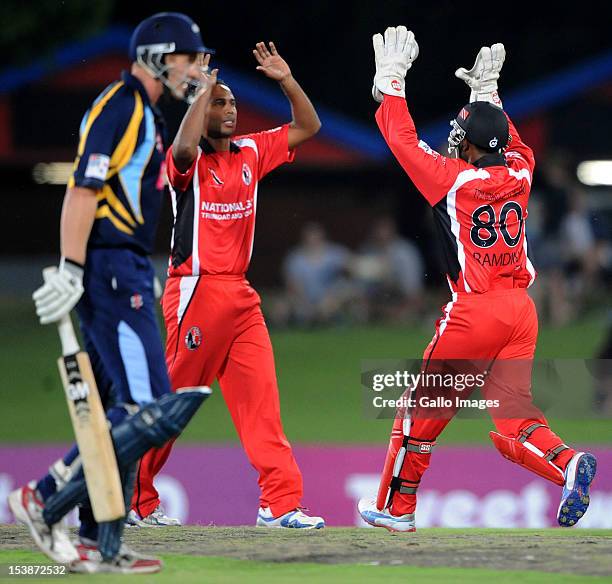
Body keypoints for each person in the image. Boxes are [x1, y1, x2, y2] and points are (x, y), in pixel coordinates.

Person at [358, 27, 597, 532]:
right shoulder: (522, 171)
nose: (453, 142)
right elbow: (512, 141)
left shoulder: (453, 181)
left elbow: (401, 141)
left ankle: (395, 508)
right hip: (520, 310)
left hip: (477, 309)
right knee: (515, 419)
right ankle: (567, 462)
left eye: (459, 136)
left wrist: (393, 85)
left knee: (416, 411)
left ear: (468, 144)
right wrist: (488, 96)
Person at [8, 13, 212, 573]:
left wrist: (201, 93)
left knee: (113, 409)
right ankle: (43, 498)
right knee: (150, 409)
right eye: (188, 58)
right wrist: (71, 269)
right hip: (112, 270)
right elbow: (83, 188)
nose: (195, 67)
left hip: (122, 268)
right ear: (159, 56)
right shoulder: (122, 106)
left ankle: (101, 542)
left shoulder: (143, 110)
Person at [130, 41, 325, 529]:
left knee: (262, 404)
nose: (230, 109)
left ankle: (280, 505)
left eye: (232, 102)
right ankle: (135, 499)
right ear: (201, 107)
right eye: (221, 102)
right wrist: (200, 92)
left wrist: (286, 80)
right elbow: (181, 149)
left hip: (240, 295)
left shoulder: (253, 152)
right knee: (174, 400)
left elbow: (309, 127)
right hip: (195, 290)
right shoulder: (187, 163)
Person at [354, 216, 424, 321]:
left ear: (393, 232)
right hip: (375, 299)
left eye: (385, 230)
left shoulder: (405, 252)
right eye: (379, 231)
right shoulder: (368, 250)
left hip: (401, 297)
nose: (382, 234)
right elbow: (360, 285)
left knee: (407, 317)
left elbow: (412, 287)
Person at [283, 222, 353, 326]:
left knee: (345, 292)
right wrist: (304, 301)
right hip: (303, 298)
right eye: (309, 237)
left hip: (330, 298)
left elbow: (353, 265)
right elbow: (292, 283)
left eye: (315, 236)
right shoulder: (296, 258)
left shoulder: (333, 253)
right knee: (281, 307)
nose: (312, 240)